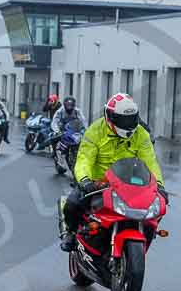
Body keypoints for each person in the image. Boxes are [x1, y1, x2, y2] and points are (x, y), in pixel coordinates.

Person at [60, 93, 168, 252]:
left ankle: (146, 233)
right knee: (72, 204)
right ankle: (70, 232)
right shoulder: (95, 131)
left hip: (129, 185)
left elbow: (150, 162)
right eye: (123, 120)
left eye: (131, 119)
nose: (128, 124)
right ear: (110, 117)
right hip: (97, 184)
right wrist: (85, 181)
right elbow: (84, 160)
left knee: (158, 206)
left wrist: (159, 186)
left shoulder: (141, 134)